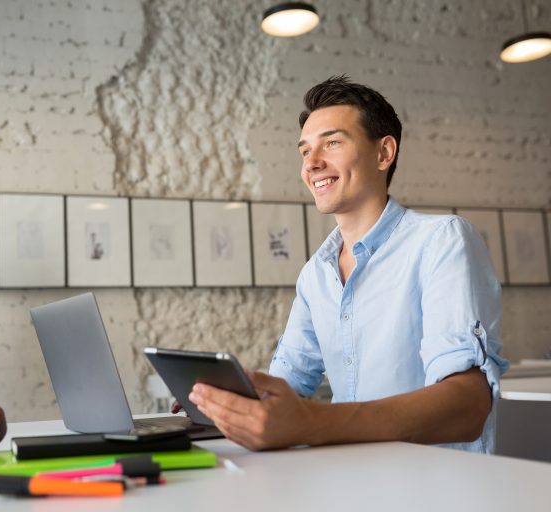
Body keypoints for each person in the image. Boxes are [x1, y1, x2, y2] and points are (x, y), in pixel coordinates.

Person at [186, 75, 509, 453]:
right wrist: (226, 403)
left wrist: (311, 422)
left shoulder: (442, 240)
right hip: (347, 483)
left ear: (384, 153)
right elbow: (287, 383)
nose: (313, 163)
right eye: (305, 151)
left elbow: (466, 407)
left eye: (333, 143)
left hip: (433, 488)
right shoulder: (315, 274)